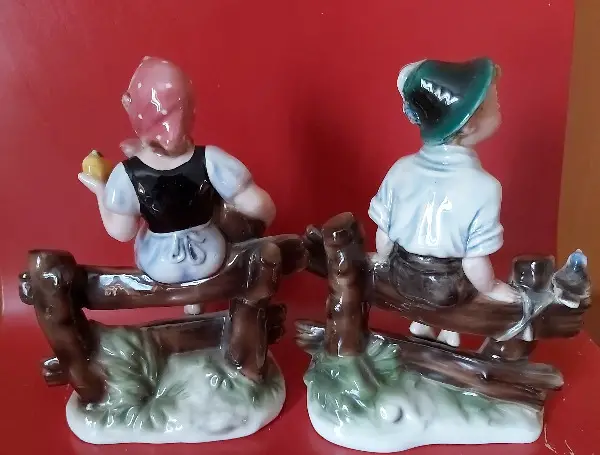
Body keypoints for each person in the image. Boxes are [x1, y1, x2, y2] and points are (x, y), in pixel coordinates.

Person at [78, 57, 275, 314]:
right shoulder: (210, 159)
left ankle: (192, 307)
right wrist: (251, 226)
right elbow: (259, 205)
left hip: (160, 263)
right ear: (191, 111)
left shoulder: (126, 174)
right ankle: (195, 304)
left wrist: (101, 190)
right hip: (210, 254)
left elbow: (122, 232)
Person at [368, 57, 520, 347]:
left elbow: (384, 236)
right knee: (458, 279)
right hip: (445, 288)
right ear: (468, 125)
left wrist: (383, 261)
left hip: (402, 276)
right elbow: (474, 261)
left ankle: (424, 324)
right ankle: (449, 330)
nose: (500, 107)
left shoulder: (400, 169)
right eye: (495, 103)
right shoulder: (485, 187)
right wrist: (491, 288)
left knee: (433, 276)